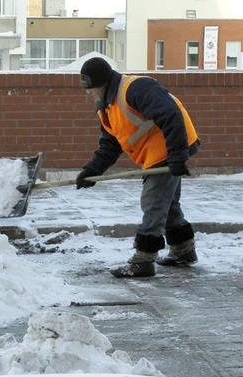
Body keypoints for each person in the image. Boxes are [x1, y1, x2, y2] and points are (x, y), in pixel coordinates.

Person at [76, 57, 201, 278]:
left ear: (103, 83)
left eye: (91, 87)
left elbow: (171, 114)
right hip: (159, 152)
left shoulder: (137, 88)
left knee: (153, 203)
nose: (88, 93)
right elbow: (110, 143)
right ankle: (183, 251)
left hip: (168, 149)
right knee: (167, 204)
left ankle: (143, 260)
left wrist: (177, 156)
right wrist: (92, 171)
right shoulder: (106, 106)